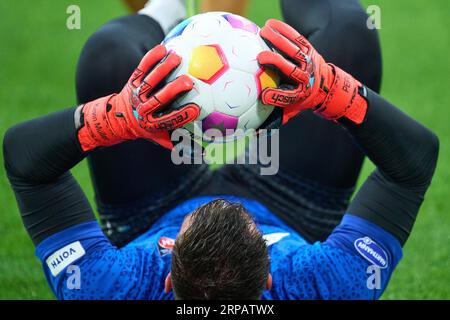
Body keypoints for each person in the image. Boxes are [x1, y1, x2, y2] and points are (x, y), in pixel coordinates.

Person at [3, 2, 438, 300]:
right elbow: (412, 164)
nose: (220, 198)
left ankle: (166, 8)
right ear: (269, 277)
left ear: (169, 278)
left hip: (151, 209)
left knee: (107, 58)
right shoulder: (317, 283)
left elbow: (26, 159)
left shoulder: (117, 285)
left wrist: (119, 115)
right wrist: (332, 90)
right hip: (292, 207)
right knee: (349, 35)